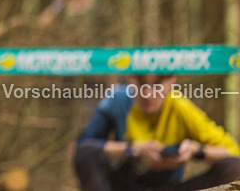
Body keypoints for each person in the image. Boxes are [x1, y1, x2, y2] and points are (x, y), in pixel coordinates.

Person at [74, 74, 240, 190]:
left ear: (171, 82)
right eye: (141, 83)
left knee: (234, 167)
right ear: (131, 80)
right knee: (85, 153)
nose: (148, 94)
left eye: (156, 85)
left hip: (169, 186)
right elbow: (85, 148)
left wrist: (195, 150)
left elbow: (233, 152)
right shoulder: (116, 101)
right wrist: (134, 149)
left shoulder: (180, 107)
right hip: (123, 183)